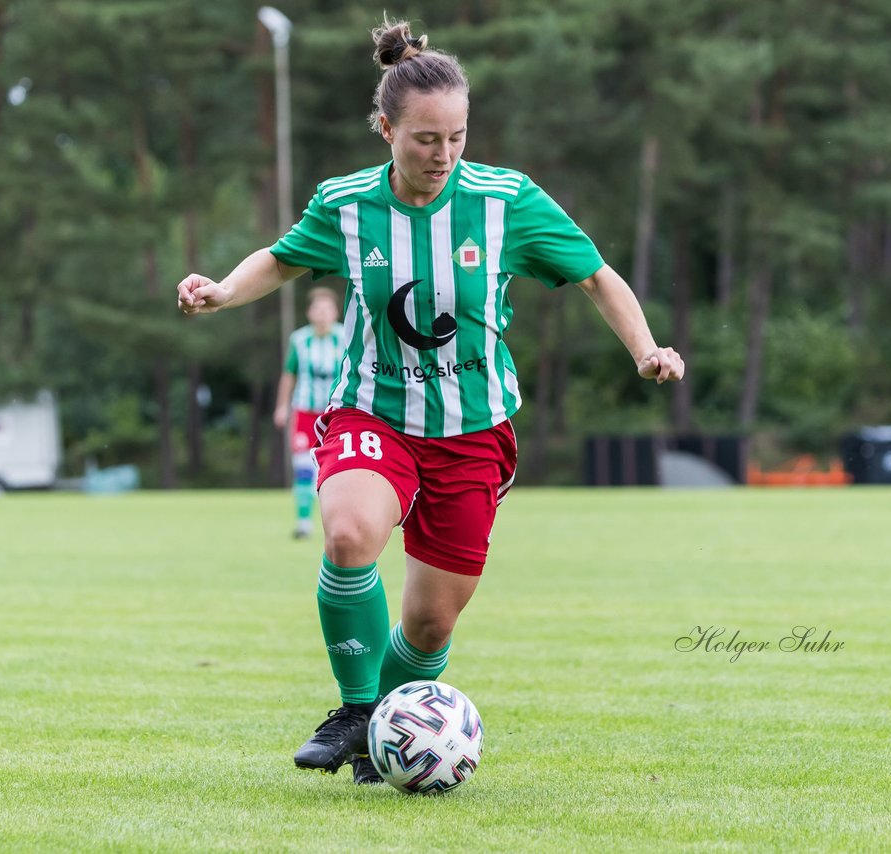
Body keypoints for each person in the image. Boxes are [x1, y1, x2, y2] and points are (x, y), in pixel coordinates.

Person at [177, 17, 684, 785]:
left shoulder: (506, 201)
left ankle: (384, 724)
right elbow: (280, 262)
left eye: (457, 137)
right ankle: (356, 710)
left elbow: (597, 276)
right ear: (386, 129)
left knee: (429, 621)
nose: (442, 155)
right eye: (424, 139)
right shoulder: (345, 205)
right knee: (348, 535)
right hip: (371, 414)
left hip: (474, 432)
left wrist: (646, 349)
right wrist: (220, 292)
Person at [274, 287, 345, 539]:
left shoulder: (346, 336)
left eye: (328, 309)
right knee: (304, 468)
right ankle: (304, 521)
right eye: (318, 309)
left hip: (336, 411)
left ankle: (338, 522)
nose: (323, 314)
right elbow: (289, 374)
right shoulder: (299, 340)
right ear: (310, 313)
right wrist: (282, 406)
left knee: (338, 468)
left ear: (336, 312)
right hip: (305, 411)